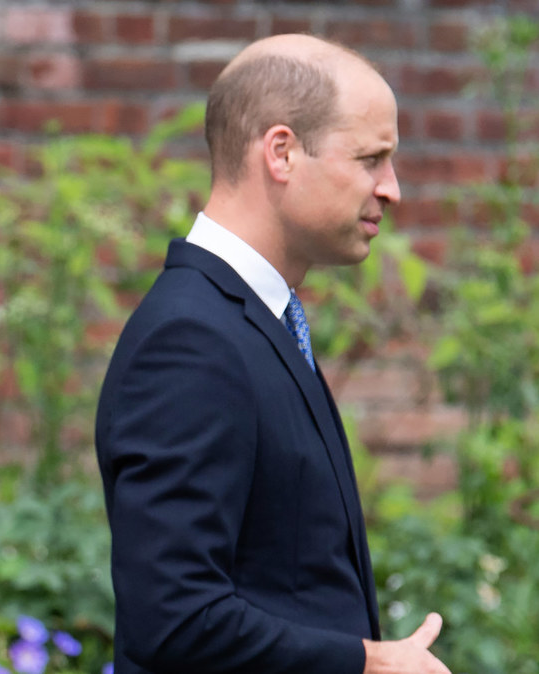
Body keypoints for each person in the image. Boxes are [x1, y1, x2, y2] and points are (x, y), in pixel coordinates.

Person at [94, 34, 450, 674]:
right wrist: (367, 662)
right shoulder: (192, 342)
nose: (391, 189)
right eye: (371, 159)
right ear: (281, 152)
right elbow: (173, 621)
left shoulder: (254, 321)